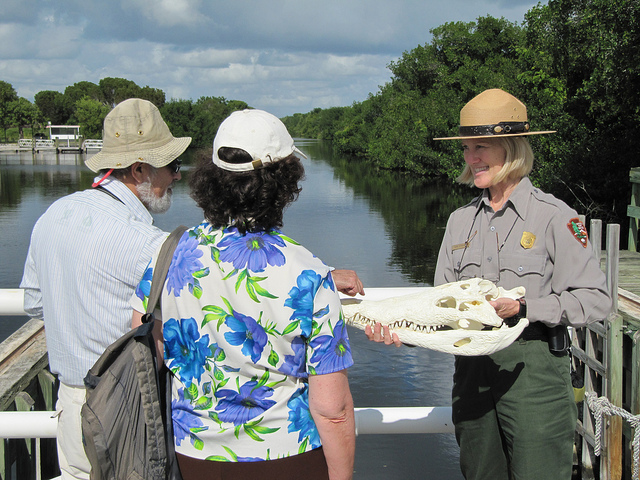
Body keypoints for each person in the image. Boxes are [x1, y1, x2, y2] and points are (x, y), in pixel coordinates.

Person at [368, 88, 612, 480]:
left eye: (481, 146)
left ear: (512, 148)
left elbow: (596, 300)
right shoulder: (459, 221)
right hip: (471, 373)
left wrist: (526, 308)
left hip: (533, 369)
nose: (471, 157)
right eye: (466, 148)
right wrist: (401, 330)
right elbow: (440, 309)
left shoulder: (556, 218)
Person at [131, 109, 357, 480]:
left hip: (193, 456)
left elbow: (148, 351)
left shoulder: (168, 255)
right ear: (283, 183)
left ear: (212, 178)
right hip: (288, 456)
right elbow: (333, 409)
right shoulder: (308, 273)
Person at [20, 98, 192, 480]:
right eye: (173, 166)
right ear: (140, 170)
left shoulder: (54, 214)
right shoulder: (147, 242)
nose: (177, 177)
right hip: (125, 409)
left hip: (70, 401)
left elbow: (34, 303)